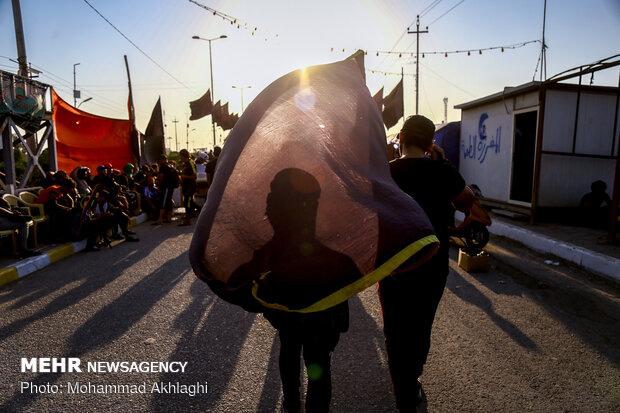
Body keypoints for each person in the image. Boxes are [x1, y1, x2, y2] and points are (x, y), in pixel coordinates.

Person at [228, 168, 357, 413]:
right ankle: (299, 404)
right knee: (316, 362)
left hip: (289, 315)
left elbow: (237, 282)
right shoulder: (332, 251)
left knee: (289, 347)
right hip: (320, 320)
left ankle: (290, 401)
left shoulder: (269, 251)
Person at [378, 115, 473, 412]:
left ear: (401, 138)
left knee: (395, 329)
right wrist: (443, 165)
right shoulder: (443, 172)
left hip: (393, 266)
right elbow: (467, 201)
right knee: (420, 325)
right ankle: (412, 379)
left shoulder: (384, 174)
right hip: (432, 266)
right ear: (432, 143)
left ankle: (403, 390)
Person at [155, 154, 179, 225]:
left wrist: (158, 186)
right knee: (168, 201)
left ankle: (160, 219)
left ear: (162, 160)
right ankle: (168, 218)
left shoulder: (163, 167)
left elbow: (161, 177)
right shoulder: (170, 165)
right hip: (171, 187)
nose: (159, 162)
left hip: (166, 187)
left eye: (160, 160)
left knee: (163, 201)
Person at [178, 149, 197, 226]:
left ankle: (187, 220)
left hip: (190, 186)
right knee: (188, 202)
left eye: (180, 156)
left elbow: (194, 175)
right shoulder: (185, 163)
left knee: (187, 202)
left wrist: (183, 176)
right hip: (185, 186)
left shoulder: (190, 163)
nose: (180, 157)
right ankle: (189, 215)